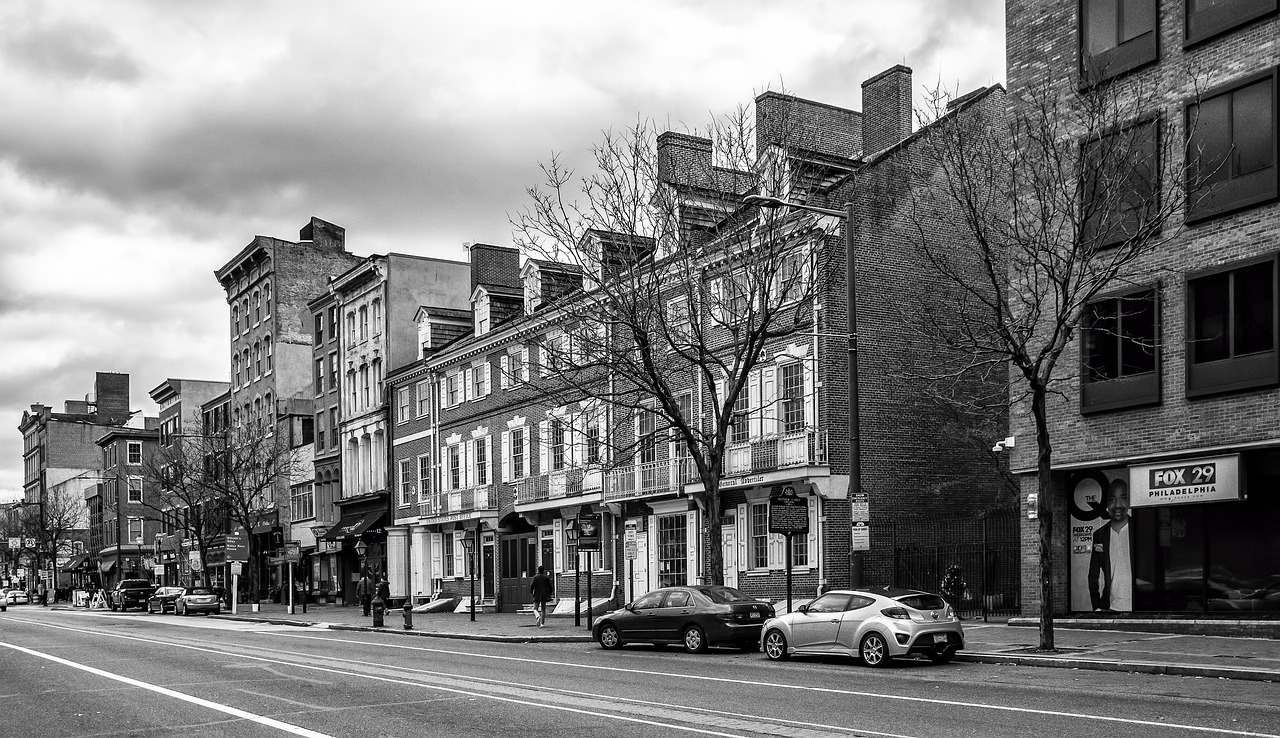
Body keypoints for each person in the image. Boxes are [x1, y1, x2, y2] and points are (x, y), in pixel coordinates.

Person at [1088, 478, 1133, 611]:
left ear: (1129, 501)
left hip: (1138, 607)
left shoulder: (1141, 529)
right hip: (1110, 607)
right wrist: (1096, 607)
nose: (1118, 504)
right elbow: (1093, 574)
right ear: (1107, 503)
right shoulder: (1099, 535)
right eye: (1112, 499)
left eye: (1123, 498)